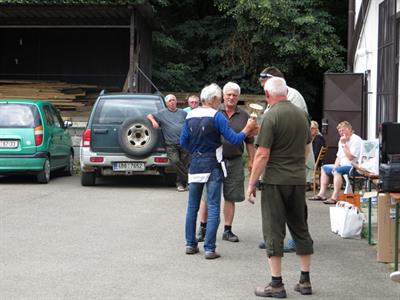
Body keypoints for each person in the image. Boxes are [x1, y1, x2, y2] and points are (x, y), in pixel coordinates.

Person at [246, 77, 314, 298]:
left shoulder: (270, 116)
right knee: (300, 228)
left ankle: (276, 284)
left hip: (276, 181)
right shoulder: (302, 115)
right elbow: (306, 148)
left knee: (274, 230)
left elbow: (262, 154)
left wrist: (252, 182)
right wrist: (297, 169)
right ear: (286, 92)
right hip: (297, 179)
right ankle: (305, 281)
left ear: (267, 95)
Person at [180, 83, 257, 259]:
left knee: (192, 206)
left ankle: (190, 244)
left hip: (195, 163)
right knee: (214, 206)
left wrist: (196, 150)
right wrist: (248, 128)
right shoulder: (217, 116)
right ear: (214, 99)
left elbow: (183, 142)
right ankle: (209, 248)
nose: (221, 101)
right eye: (220, 98)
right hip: (213, 163)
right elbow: (234, 138)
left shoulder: (190, 114)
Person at [258, 66, 310, 252]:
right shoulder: (278, 96)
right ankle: (276, 237)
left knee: (294, 206)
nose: (264, 89)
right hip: (288, 161)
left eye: (264, 83)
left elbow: (292, 127)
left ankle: (293, 240)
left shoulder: (291, 97)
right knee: (281, 206)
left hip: (290, 161)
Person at [196, 82, 255, 243]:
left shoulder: (244, 116)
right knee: (207, 196)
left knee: (231, 196)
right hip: (214, 160)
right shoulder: (214, 111)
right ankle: (203, 228)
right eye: (228, 94)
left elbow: (249, 141)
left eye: (235, 95)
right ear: (223, 96)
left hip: (235, 160)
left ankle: (227, 230)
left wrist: (252, 160)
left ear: (238, 97)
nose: (231, 97)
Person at [308, 121, 362, 204]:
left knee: (337, 171)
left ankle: (335, 197)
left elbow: (351, 157)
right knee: (324, 168)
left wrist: (344, 144)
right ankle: (321, 194)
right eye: (339, 131)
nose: (341, 133)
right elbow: (339, 157)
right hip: (342, 164)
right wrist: (335, 166)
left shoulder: (356, 140)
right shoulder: (341, 140)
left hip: (353, 166)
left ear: (349, 129)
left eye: (343, 130)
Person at [147, 94, 189, 192]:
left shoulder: (183, 113)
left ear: (176, 101)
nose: (172, 102)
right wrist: (154, 121)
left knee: (184, 163)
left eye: (173, 100)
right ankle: (189, 179)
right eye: (170, 101)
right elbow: (149, 115)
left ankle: (180, 184)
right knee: (175, 161)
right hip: (171, 144)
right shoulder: (162, 113)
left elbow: (189, 123)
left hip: (184, 142)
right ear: (166, 103)